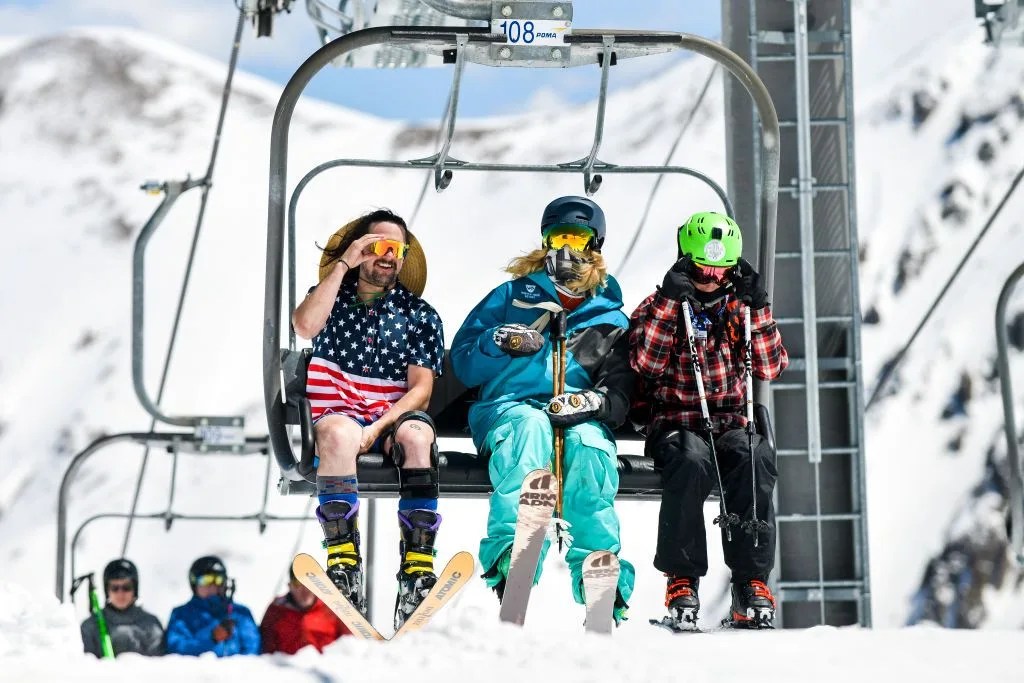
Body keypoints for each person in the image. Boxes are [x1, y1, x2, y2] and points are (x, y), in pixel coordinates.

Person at [450, 195, 635, 626]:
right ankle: (513, 551)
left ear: (595, 244)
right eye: (558, 237)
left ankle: (598, 570)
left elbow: (621, 389)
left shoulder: (609, 318)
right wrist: (497, 341)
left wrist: (592, 402)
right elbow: (463, 364)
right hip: (509, 408)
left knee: (590, 448)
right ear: (545, 241)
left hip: (575, 417)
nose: (567, 247)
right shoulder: (512, 297)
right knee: (529, 428)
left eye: (578, 238)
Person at [628, 211, 789, 629]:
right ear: (685, 261)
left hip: (730, 424)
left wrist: (760, 309)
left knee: (754, 456)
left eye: (722, 270)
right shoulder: (659, 306)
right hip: (676, 424)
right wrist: (669, 304)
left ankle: (751, 582)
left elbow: (770, 367)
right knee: (690, 459)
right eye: (703, 268)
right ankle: (682, 578)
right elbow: (645, 363)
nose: (712, 278)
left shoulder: (740, 309)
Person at [291, 209, 445, 629]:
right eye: (376, 245)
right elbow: (304, 326)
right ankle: (344, 561)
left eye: (396, 249)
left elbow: (420, 389)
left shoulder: (420, 316)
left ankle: (417, 568)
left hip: (391, 421)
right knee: (338, 436)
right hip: (339, 415)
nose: (387, 255)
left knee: (417, 437)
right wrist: (344, 264)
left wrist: (377, 428)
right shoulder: (330, 299)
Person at [165, 555, 260, 656]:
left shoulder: (240, 613)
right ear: (194, 584)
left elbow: (252, 648)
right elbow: (177, 648)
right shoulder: (181, 615)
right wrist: (212, 640)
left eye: (219, 579)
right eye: (206, 580)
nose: (213, 586)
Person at [80, 558, 164, 657]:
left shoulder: (151, 624)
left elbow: (158, 661)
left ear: (135, 589)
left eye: (126, 587)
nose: (120, 593)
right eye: (114, 588)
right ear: (107, 590)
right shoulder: (90, 626)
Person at [260, 566, 350, 654]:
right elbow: (265, 650)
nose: (305, 589)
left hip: (325, 662)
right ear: (290, 586)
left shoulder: (333, 607)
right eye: (298, 584)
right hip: (286, 663)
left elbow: (350, 644)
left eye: (309, 584)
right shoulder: (276, 610)